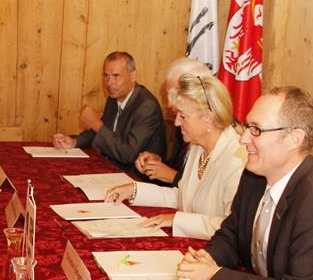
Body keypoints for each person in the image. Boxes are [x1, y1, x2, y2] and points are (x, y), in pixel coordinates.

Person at [176, 87, 313, 280]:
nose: (243, 139)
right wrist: (208, 258)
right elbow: (231, 234)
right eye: (246, 127)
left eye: (256, 130)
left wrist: (213, 276)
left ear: (294, 138)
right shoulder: (254, 175)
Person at [105, 74, 246, 240]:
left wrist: (177, 220)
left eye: (183, 116)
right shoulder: (197, 145)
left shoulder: (237, 158)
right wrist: (133, 190)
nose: (177, 123)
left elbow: (231, 226)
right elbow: (183, 197)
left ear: (208, 119)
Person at [53, 51, 166, 178]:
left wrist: (95, 123)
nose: (109, 82)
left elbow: (128, 154)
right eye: (106, 75)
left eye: (116, 76)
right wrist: (75, 142)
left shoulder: (146, 106)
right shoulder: (114, 97)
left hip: (136, 177)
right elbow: (104, 131)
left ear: (133, 76)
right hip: (111, 168)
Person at [135, 57, 212, 185]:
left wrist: (172, 176)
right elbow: (180, 166)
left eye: (175, 93)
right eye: (168, 94)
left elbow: (205, 189)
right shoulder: (183, 120)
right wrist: (157, 162)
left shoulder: (214, 134)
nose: (169, 104)